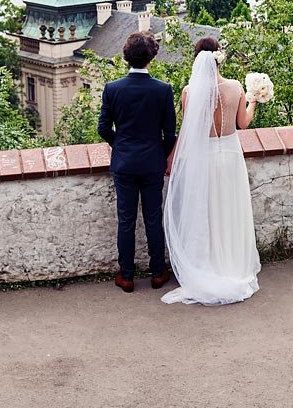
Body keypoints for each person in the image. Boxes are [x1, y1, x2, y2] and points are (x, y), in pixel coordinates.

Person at [162, 37, 261, 306]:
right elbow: (243, 123)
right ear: (220, 57)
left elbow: (186, 132)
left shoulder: (189, 92)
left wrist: (171, 159)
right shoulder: (235, 87)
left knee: (206, 210)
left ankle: (208, 266)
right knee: (229, 209)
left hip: (203, 157)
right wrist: (253, 100)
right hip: (229, 155)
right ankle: (231, 265)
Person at [97, 31, 176, 293]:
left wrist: (120, 144)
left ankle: (127, 276)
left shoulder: (112, 89)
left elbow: (103, 128)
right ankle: (158, 272)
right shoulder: (163, 90)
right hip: (152, 162)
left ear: (126, 57)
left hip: (124, 163)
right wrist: (160, 154)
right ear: (151, 57)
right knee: (153, 218)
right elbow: (170, 133)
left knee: (126, 220)